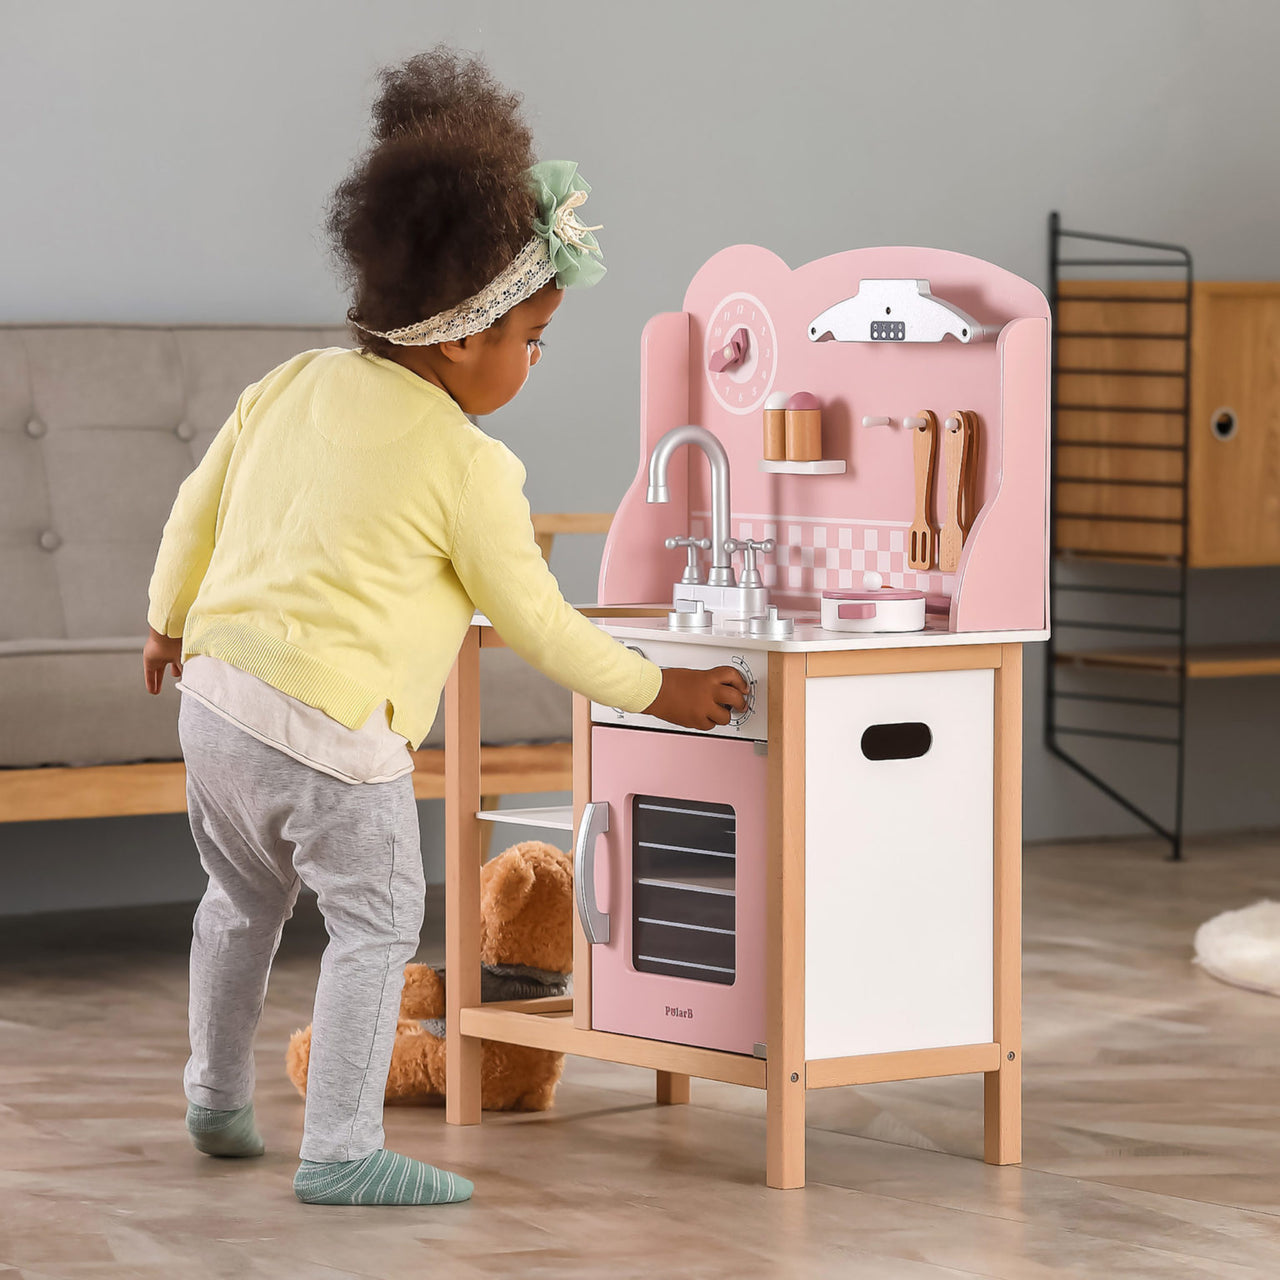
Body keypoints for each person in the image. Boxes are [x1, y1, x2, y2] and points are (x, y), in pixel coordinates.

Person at [142, 47, 747, 1207]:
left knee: (239, 901)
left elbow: (194, 511)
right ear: (463, 336)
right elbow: (538, 620)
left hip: (213, 702)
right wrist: (656, 689)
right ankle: (337, 1149)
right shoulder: (472, 465)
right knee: (374, 921)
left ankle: (215, 1095)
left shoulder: (288, 382)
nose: (531, 360)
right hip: (330, 735)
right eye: (532, 339)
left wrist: (166, 624)